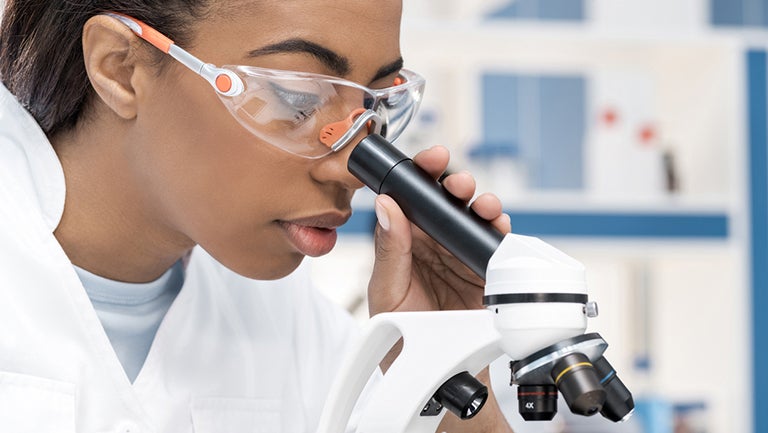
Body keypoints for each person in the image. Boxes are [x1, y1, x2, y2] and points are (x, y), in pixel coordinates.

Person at [0, 1, 514, 432]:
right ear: (120, 68)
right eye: (297, 98)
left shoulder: (293, 327)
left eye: (374, 108)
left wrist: (440, 363)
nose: (353, 170)